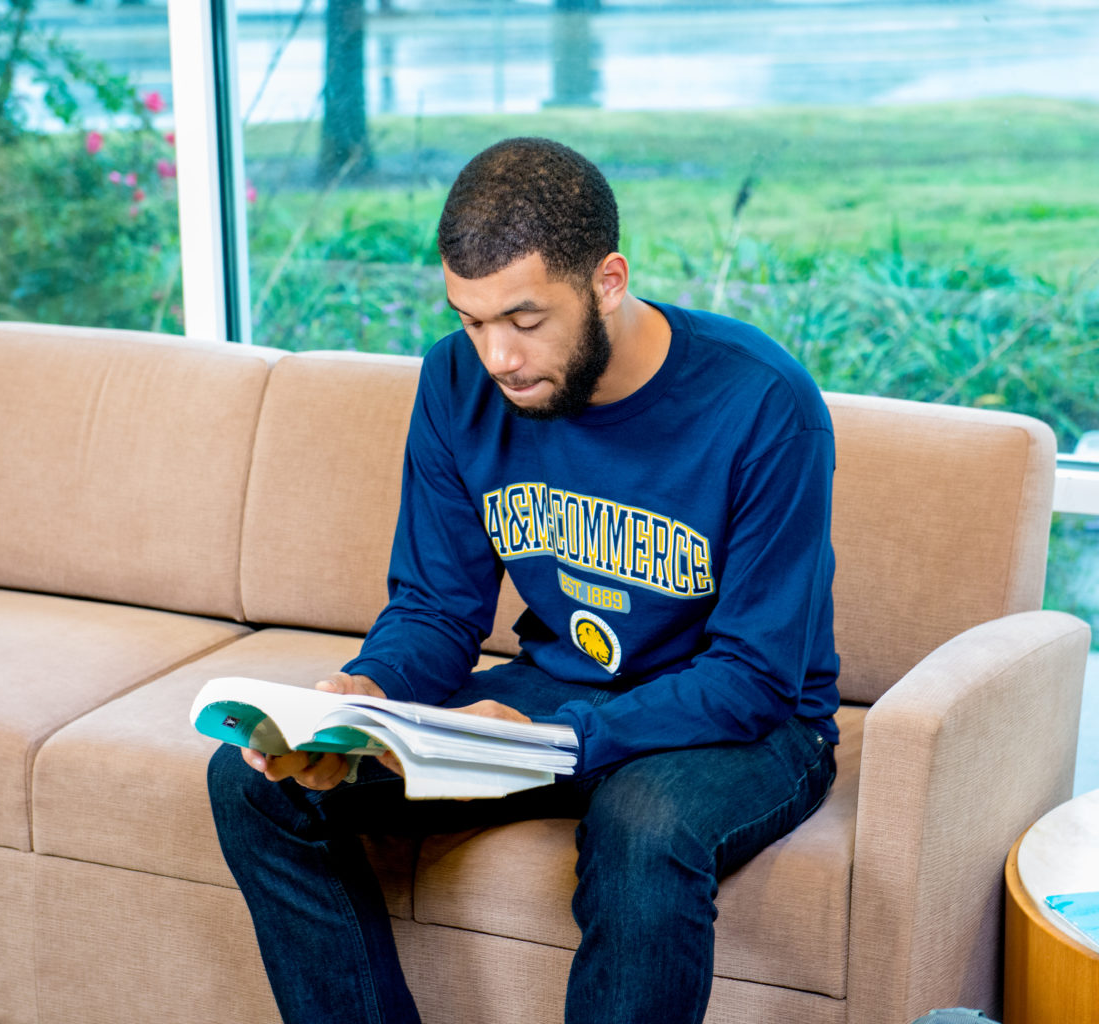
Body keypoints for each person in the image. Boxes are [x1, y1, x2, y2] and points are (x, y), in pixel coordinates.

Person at [207, 136, 842, 1024]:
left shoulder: (765, 405)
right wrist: (368, 695)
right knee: (253, 782)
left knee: (644, 827)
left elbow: (755, 676)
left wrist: (552, 734)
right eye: (472, 320)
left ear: (608, 281)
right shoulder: (455, 381)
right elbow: (435, 606)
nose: (497, 356)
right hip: (560, 693)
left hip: (749, 723)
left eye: (525, 319)